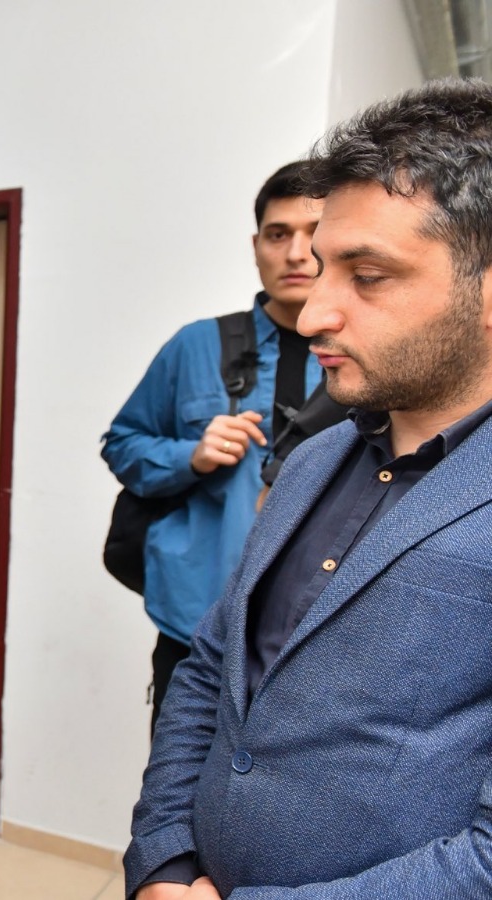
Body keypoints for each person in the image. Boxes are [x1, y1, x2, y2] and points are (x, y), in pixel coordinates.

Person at [127, 79, 492, 898]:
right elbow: (212, 667)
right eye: (322, 268)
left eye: (368, 275)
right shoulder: (315, 459)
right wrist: (165, 860)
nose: (315, 311)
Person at [101, 162, 324, 731]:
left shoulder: (371, 356)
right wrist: (191, 457)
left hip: (315, 632)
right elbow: (122, 444)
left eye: (315, 234)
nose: (296, 253)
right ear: (256, 247)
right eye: (278, 234)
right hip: (196, 625)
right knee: (176, 778)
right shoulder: (195, 344)